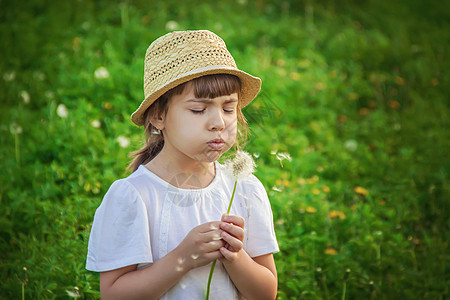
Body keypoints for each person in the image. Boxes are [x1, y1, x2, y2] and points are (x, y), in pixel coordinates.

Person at [86, 30, 279, 300]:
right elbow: (114, 294)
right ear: (158, 116)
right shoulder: (133, 197)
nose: (219, 122)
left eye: (228, 108)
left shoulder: (245, 189)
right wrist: (183, 258)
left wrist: (235, 258)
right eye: (199, 110)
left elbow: (266, 293)